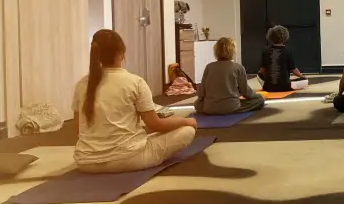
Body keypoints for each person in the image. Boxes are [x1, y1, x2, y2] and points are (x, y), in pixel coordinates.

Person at [72, 29, 197, 174]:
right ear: (121, 53)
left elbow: (78, 129)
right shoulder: (135, 82)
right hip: (129, 159)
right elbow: (155, 124)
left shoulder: (81, 84)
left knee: (140, 129)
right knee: (187, 131)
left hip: (86, 162)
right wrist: (186, 121)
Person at [195, 37, 265, 115]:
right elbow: (246, 92)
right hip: (231, 107)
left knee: (197, 104)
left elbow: (201, 92)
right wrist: (257, 95)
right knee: (260, 100)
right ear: (232, 51)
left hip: (210, 108)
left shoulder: (209, 67)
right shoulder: (238, 67)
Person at [257, 25, 308, 92]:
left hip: (268, 87)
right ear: (285, 37)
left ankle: (269, 84)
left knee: (259, 75)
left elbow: (262, 71)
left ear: (270, 37)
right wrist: (303, 77)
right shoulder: (287, 51)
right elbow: (294, 71)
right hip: (285, 87)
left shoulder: (265, 51)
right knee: (305, 81)